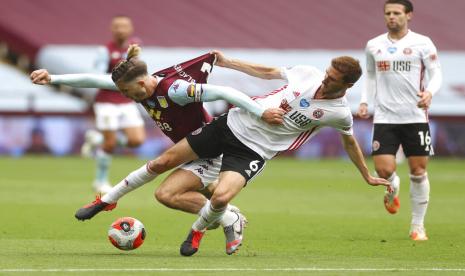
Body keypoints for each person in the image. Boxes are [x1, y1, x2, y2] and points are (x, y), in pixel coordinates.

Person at [74, 50, 391, 256]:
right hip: (228, 126)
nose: (325, 79)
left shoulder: (338, 112)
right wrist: (228, 62)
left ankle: (201, 231)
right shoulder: (308, 73)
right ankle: (107, 200)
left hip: (255, 150)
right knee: (162, 163)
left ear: (346, 86)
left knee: (221, 197)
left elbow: (350, 142)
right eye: (327, 73)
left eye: (333, 79)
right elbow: (268, 71)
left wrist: (367, 175)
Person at [31, 45, 284, 255]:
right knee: (201, 195)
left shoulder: (177, 90)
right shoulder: (139, 87)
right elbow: (95, 81)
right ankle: (228, 215)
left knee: (167, 183)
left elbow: (225, 91)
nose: (126, 96)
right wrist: (53, 78)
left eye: (127, 92)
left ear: (141, 82)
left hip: (211, 149)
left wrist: (260, 112)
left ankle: (108, 201)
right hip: (190, 151)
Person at [356, 0, 442, 241]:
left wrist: (429, 93)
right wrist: (365, 100)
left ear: (409, 15)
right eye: (387, 13)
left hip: (415, 116)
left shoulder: (422, 43)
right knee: (383, 170)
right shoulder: (374, 45)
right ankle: (393, 187)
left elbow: (436, 74)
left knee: (418, 171)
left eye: (396, 13)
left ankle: (417, 226)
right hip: (384, 116)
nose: (391, 17)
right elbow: (371, 75)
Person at [84, 15, 146, 194]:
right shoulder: (104, 50)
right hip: (106, 101)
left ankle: (96, 139)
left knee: (136, 140)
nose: (121, 30)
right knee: (110, 144)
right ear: (112, 29)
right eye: (117, 26)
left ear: (130, 29)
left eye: (124, 26)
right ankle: (100, 180)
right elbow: (97, 76)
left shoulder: (134, 48)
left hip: (127, 99)